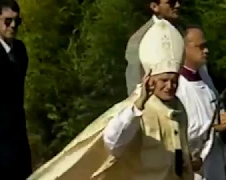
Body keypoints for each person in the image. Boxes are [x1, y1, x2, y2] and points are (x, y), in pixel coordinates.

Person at [27, 18, 194, 180]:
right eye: (164, 80)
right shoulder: (135, 108)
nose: (170, 86)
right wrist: (138, 106)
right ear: (149, 78)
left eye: (174, 80)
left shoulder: (178, 108)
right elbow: (113, 143)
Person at [176, 25, 226, 180]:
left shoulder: (206, 80)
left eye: (206, 46)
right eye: (200, 46)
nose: (206, 51)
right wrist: (214, 126)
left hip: (215, 163)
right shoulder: (177, 86)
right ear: (183, 48)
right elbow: (177, 132)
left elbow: (217, 118)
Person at [0, 0, 32, 179]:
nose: (13, 26)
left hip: (17, 131)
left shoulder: (20, 51)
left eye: (17, 21)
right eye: (8, 20)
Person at [125, 0, 181, 95]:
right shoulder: (140, 38)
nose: (178, 5)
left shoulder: (185, 33)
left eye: (179, 1)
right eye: (171, 2)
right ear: (155, 6)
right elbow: (134, 83)